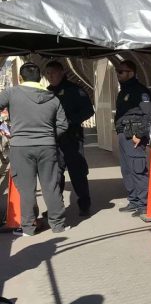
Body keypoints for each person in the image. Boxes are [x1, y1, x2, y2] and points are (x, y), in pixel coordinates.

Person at [0, 62, 69, 236]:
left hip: (21, 148)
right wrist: (49, 136)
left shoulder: (11, 93)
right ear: (40, 78)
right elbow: (63, 124)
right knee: (51, 186)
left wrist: (5, 128)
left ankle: (29, 228)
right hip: (47, 147)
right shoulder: (53, 98)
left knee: (26, 189)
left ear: (20, 78)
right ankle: (58, 225)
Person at [44, 60, 94, 216]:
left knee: (77, 173)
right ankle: (56, 207)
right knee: (55, 175)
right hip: (54, 140)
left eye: (53, 73)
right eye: (47, 73)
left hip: (72, 138)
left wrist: (70, 121)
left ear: (62, 73)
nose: (50, 76)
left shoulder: (74, 90)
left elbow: (88, 111)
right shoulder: (46, 93)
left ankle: (84, 204)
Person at [114, 60, 151, 216]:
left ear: (131, 73)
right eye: (117, 71)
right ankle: (134, 201)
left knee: (138, 169)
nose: (118, 74)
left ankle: (144, 204)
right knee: (127, 170)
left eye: (121, 71)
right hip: (123, 134)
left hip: (134, 136)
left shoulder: (140, 91)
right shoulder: (123, 91)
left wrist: (140, 134)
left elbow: (148, 114)